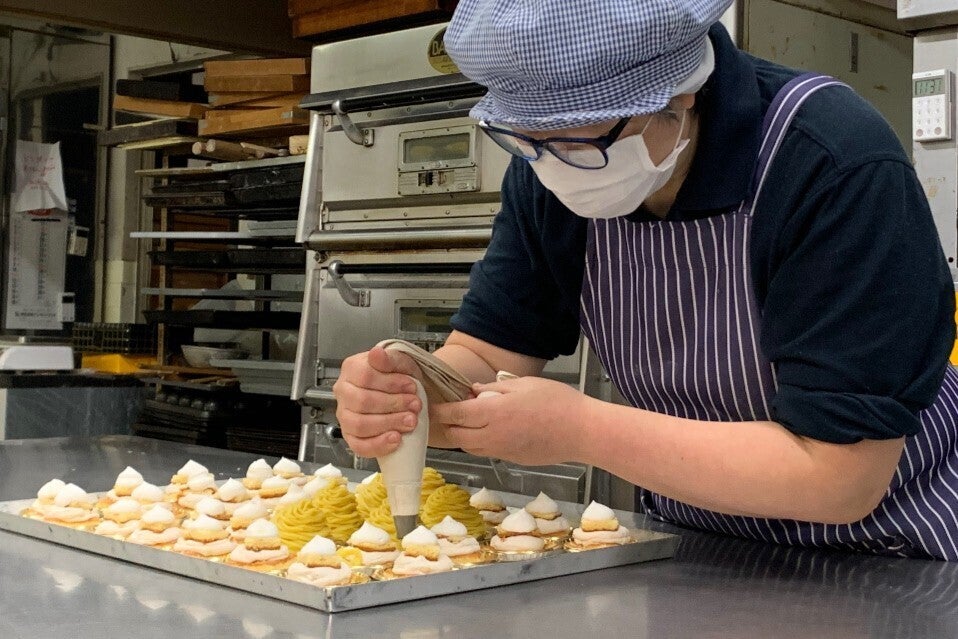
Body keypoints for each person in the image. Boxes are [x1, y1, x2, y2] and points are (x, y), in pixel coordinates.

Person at [333, 0, 958, 560]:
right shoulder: (549, 168)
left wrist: (583, 430)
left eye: (580, 140)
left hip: (887, 551)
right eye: (524, 138)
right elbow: (488, 354)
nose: (552, 163)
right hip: (695, 548)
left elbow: (840, 477)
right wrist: (411, 391)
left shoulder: (829, 160)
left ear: (679, 94)